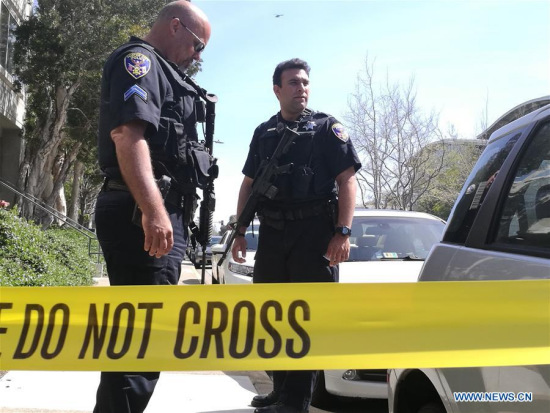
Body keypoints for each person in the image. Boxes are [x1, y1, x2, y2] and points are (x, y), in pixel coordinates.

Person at [94, 1, 211, 412]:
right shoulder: (139, 62)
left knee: (137, 344)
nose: (197, 57)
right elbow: (128, 136)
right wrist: (155, 211)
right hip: (139, 211)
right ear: (175, 26)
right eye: (197, 46)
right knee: (141, 345)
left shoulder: (166, 72)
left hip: (151, 208)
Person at [232, 58, 361, 413]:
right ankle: (279, 388)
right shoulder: (263, 132)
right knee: (272, 316)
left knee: (307, 319)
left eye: (305, 82)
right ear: (277, 90)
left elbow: (347, 179)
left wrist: (342, 232)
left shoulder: (326, 128)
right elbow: (248, 183)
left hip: (315, 235)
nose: (301, 88)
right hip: (273, 234)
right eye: (293, 83)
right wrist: (240, 232)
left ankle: (295, 402)